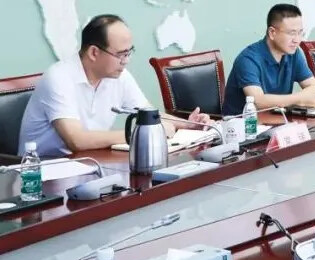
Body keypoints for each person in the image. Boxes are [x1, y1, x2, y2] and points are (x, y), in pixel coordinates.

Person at [18, 14, 210, 157]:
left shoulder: (119, 76)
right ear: (94, 53)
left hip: (90, 164)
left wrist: (191, 124)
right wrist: (140, 133)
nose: (126, 60)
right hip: (41, 176)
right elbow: (77, 140)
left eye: (129, 52)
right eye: (121, 54)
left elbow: (149, 114)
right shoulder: (59, 77)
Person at [223, 4, 315, 116]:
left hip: (279, 121)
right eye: (291, 33)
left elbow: (314, 88)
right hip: (242, 124)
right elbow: (258, 101)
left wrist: (302, 98)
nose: (297, 40)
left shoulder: (294, 53)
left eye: (300, 32)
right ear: (272, 33)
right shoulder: (248, 59)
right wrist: (301, 99)